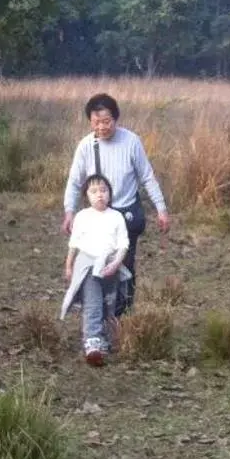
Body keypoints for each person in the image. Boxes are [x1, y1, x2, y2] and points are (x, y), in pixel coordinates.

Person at [61, 93, 170, 310]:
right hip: (98, 215)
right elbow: (75, 181)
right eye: (96, 122)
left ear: (116, 118)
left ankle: (122, 314)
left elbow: (147, 176)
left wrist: (161, 208)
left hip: (126, 214)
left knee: (123, 265)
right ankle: (96, 309)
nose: (102, 127)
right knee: (94, 262)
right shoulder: (85, 147)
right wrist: (69, 211)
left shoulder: (131, 141)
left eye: (106, 121)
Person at [61, 173, 130, 366]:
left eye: (103, 190)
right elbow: (74, 244)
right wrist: (68, 266)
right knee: (92, 303)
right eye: (94, 191)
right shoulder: (82, 216)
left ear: (109, 193)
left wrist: (116, 263)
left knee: (109, 303)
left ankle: (104, 340)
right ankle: (91, 343)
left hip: (110, 265)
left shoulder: (116, 217)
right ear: (87, 196)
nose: (99, 194)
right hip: (88, 265)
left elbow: (123, 244)